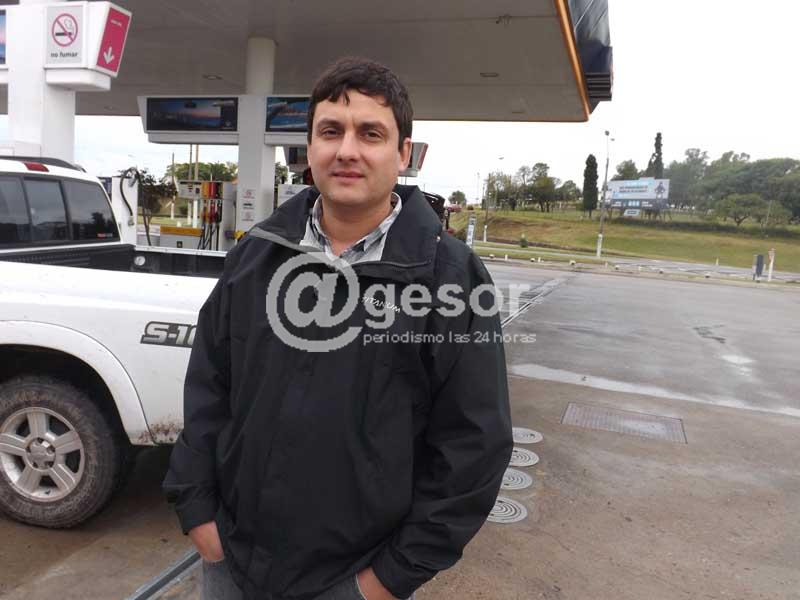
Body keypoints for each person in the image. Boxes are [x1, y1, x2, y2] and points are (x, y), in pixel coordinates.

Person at [163, 57, 513, 600]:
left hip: (354, 580)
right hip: (231, 561)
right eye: (331, 132)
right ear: (310, 149)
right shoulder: (255, 257)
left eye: (370, 133)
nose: (347, 150)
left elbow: (474, 446)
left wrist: (387, 580)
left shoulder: (451, 278)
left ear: (403, 153)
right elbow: (209, 389)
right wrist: (198, 513)